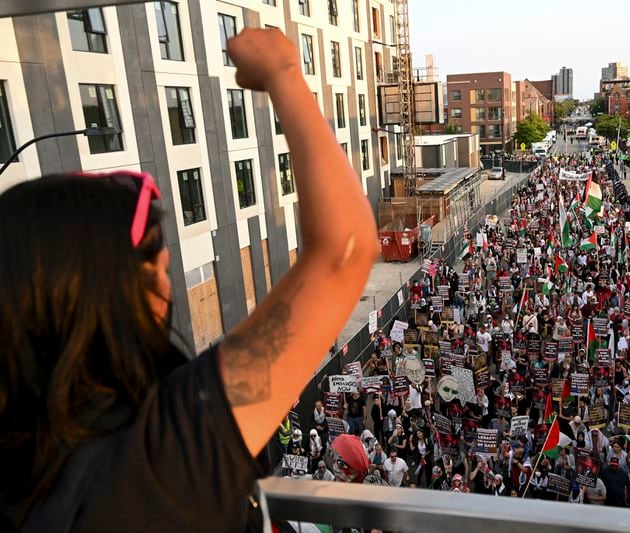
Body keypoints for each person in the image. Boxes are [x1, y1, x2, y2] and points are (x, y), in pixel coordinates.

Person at [0, 29, 379, 532]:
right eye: (158, 274)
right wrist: (282, 70)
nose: (170, 293)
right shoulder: (159, 458)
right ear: (107, 299)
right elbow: (344, 250)